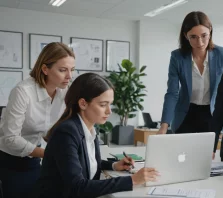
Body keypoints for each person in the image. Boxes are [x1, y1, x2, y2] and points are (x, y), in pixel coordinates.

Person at [37, 73, 159, 198]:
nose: (109, 111)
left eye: (110, 104)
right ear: (83, 104)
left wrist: (114, 165)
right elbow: (77, 187)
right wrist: (132, 180)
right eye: (103, 105)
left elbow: (85, 162)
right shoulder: (66, 133)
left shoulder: (89, 128)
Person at [0, 42, 75, 198]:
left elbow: (70, 123)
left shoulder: (64, 91)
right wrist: (51, 154)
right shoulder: (23, 92)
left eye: (71, 70)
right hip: (10, 159)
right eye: (63, 70)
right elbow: (11, 139)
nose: (69, 76)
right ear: (45, 69)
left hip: (36, 156)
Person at [157, 11, 223, 135]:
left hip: (211, 113)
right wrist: (164, 126)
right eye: (193, 37)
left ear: (210, 31)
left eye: (204, 35)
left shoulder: (222, 54)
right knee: (183, 153)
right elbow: (172, 93)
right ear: (186, 36)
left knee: (207, 154)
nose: (200, 42)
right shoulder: (177, 57)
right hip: (186, 114)